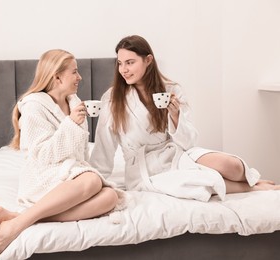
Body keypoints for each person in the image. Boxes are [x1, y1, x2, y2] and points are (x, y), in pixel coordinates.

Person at [90, 35, 280, 202]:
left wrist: (175, 116)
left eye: (130, 62)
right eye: (120, 63)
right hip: (145, 168)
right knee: (200, 184)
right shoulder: (112, 99)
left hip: (177, 153)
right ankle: (253, 187)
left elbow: (188, 142)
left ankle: (249, 179)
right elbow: (103, 148)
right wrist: (97, 183)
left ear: (148, 60)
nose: (123, 69)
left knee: (233, 166)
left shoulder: (171, 90)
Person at [0, 49, 123, 259]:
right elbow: (42, 155)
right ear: (57, 76)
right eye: (74, 72)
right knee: (93, 180)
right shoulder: (34, 107)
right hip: (43, 175)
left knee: (110, 197)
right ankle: (17, 227)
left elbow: (80, 153)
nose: (80, 77)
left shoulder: (74, 103)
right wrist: (70, 124)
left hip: (68, 176)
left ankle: (20, 217)